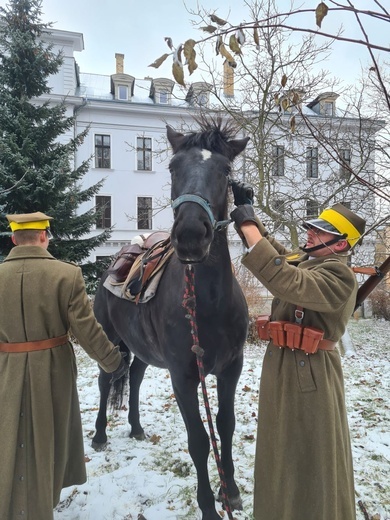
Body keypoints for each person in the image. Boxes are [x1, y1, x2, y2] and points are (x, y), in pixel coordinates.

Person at [230, 183, 366, 520]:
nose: (310, 232)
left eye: (320, 231)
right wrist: (250, 214)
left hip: (312, 375)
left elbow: (285, 280)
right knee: (282, 453)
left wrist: (248, 227)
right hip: (284, 368)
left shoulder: (339, 275)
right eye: (312, 226)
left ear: (341, 243)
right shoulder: (308, 262)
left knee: (310, 456)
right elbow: (279, 258)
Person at [0, 212, 128, 520]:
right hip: (52, 372)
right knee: (47, 439)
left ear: (14, 239)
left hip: (5, 370)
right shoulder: (66, 274)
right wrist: (113, 361)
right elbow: (86, 329)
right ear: (44, 236)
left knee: (7, 436)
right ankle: (39, 504)